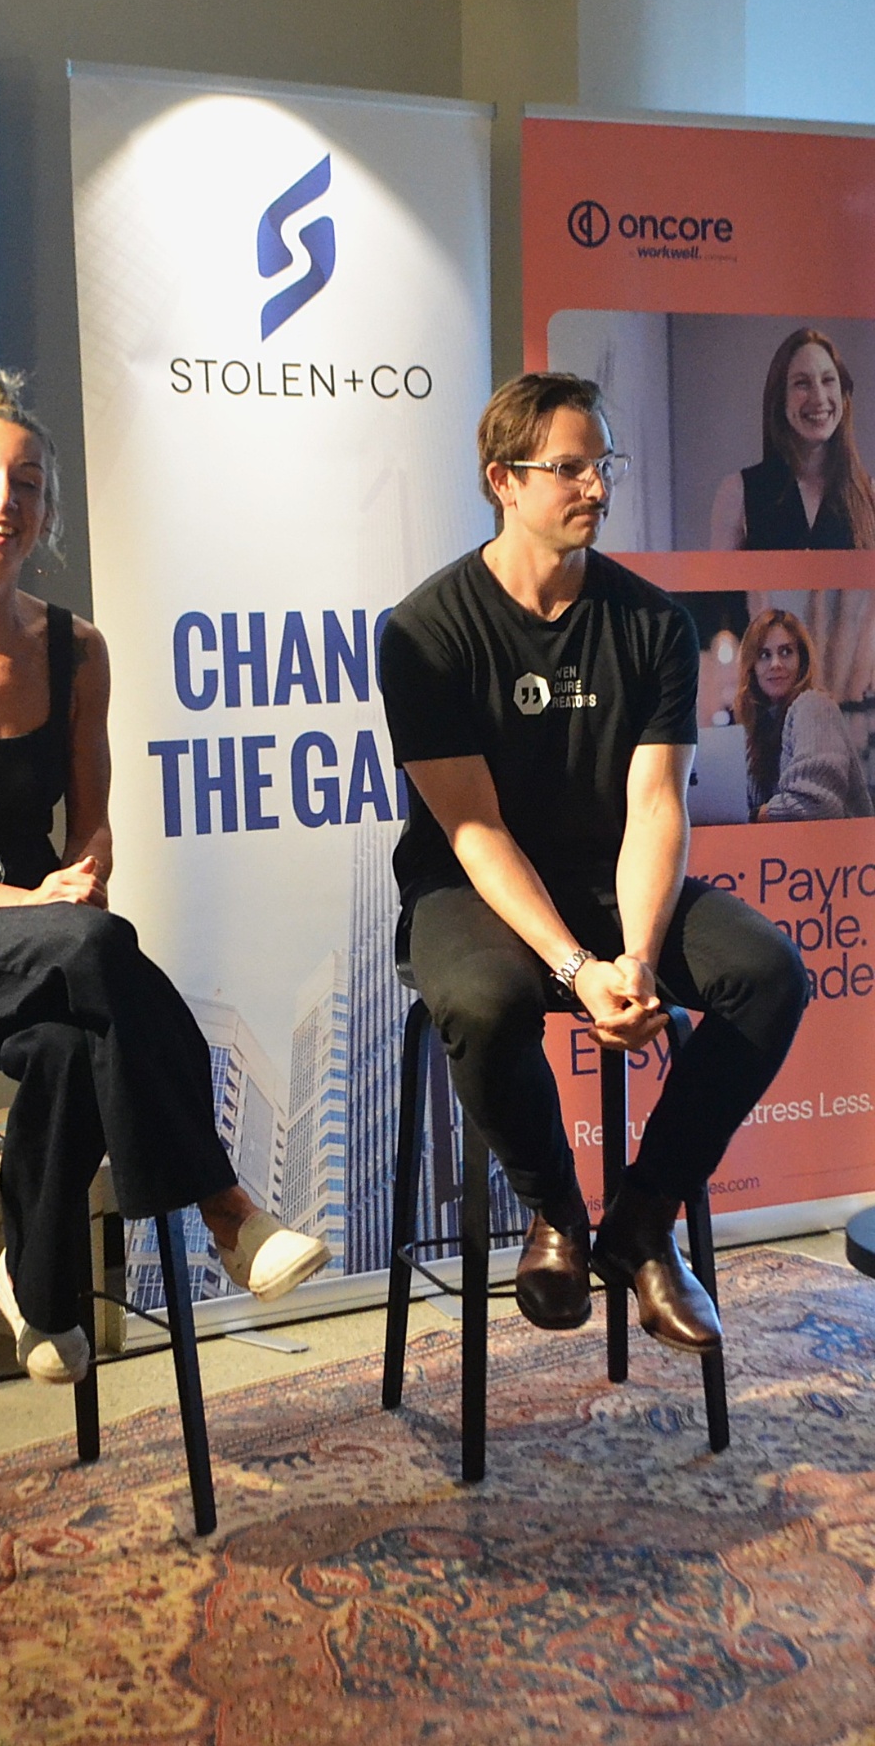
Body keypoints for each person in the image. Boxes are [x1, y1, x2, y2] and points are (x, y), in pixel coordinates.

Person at [0, 372, 329, 1385]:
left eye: (28, 483)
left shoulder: (76, 649)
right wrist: (40, 906)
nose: (1, 499)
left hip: (39, 944)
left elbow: (89, 814)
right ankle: (225, 1206)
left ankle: (39, 1282)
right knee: (95, 946)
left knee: (70, 1037)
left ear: (47, 512)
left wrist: (89, 859)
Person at [380, 372, 808, 1357]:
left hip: (611, 881)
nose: (597, 489)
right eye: (569, 468)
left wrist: (640, 960)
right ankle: (557, 1217)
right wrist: (578, 968)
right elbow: (475, 831)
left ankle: (643, 1221)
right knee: (486, 1004)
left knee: (769, 973)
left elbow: (655, 804)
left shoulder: (655, 624)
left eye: (602, 465)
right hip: (469, 888)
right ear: (504, 480)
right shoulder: (424, 631)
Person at [710, 327, 875, 550]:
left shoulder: (870, 496)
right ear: (781, 399)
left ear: (844, 395)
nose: (818, 398)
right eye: (802, 383)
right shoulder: (737, 494)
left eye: (828, 380)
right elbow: (721, 584)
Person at [736, 606, 873, 820]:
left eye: (786, 652)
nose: (776, 664)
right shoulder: (757, 728)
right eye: (764, 655)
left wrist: (752, 816)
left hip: (839, 850)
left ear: (802, 659)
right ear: (751, 667)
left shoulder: (813, 705)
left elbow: (815, 804)